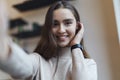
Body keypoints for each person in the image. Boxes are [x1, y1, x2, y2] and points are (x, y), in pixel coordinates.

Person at [0, 1, 97, 80]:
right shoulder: (38, 61)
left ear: (77, 27)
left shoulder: (89, 65)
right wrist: (3, 46)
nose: (61, 30)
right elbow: (21, 65)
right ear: (48, 28)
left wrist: (76, 45)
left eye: (67, 23)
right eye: (55, 24)